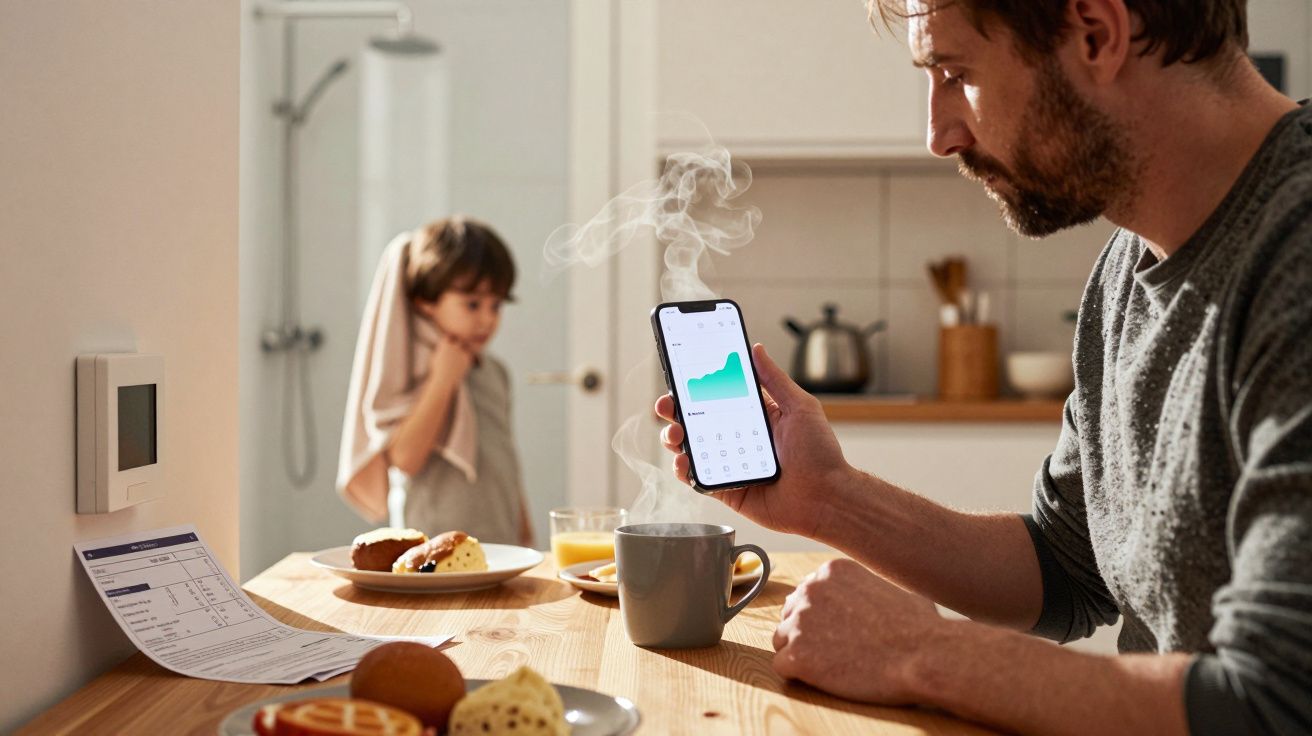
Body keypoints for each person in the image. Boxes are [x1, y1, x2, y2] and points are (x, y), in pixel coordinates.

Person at [655, 0, 1310, 733]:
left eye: (953, 73)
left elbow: (1278, 703)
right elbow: (1066, 569)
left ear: (1096, 33)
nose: (937, 134)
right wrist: (828, 497)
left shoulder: (1296, 258)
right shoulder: (1126, 269)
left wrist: (918, 650)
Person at [339, 216, 533, 547]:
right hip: (430, 547)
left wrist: (524, 532)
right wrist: (442, 380)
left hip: (500, 540)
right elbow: (405, 459)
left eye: (496, 305)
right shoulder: (412, 367)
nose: (487, 319)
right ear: (425, 302)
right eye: (472, 304)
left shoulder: (493, 370)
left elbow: (506, 460)